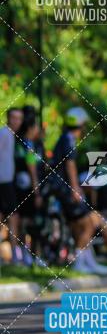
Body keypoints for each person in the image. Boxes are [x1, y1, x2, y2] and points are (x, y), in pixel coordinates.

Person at [47, 107, 107, 274]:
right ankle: (79, 261)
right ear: (81, 124)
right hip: (66, 189)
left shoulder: (64, 138)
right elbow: (70, 164)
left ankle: (88, 262)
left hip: (60, 189)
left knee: (78, 225)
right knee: (90, 222)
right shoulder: (69, 139)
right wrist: (75, 188)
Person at [13, 110, 44, 265]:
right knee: (27, 222)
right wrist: (37, 192)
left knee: (22, 222)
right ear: (32, 127)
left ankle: (25, 254)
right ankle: (28, 255)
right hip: (27, 190)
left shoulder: (19, 142)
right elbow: (32, 169)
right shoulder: (28, 144)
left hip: (19, 187)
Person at [0, 107, 23, 263]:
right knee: (13, 217)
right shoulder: (4, 133)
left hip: (6, 182)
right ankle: (15, 255)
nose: (16, 121)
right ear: (8, 118)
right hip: (3, 182)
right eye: (14, 117)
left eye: (19, 118)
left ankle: (13, 254)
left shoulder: (10, 135)